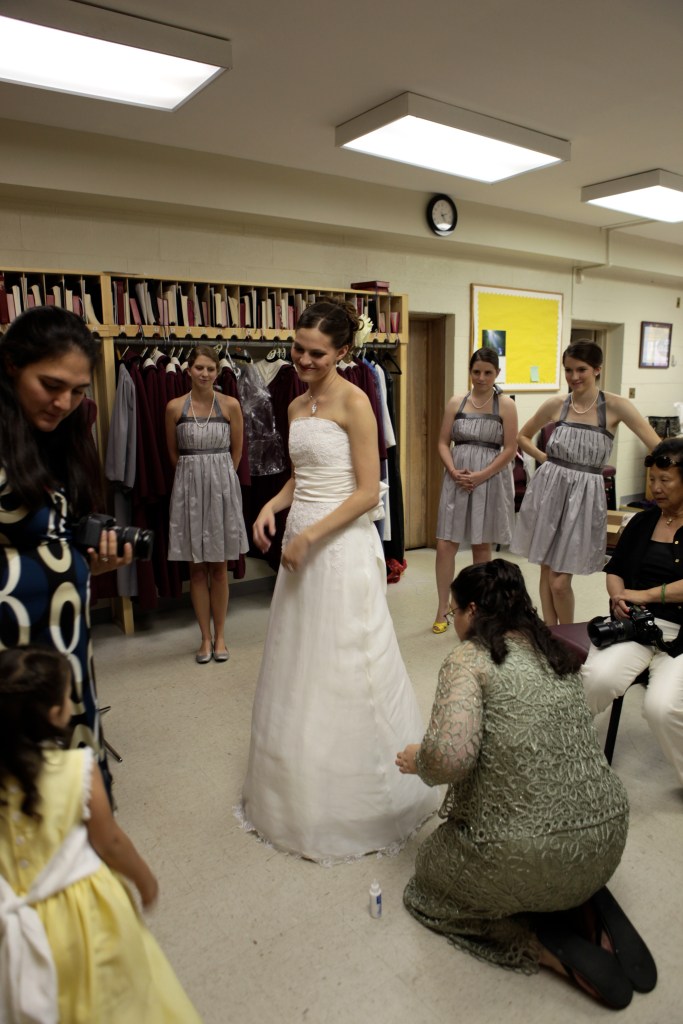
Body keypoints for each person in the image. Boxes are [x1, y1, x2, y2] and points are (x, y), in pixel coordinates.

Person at [396, 560, 656, 1008]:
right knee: (559, 846)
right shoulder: (557, 653)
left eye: (454, 611)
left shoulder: (468, 660)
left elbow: (450, 760)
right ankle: (581, 896)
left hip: (523, 852)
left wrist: (418, 759)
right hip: (611, 830)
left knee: (429, 877)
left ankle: (538, 946)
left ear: (472, 611)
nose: (454, 621)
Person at [238, 299, 439, 863]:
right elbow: (302, 476)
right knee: (300, 656)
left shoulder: (357, 401)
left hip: (340, 544)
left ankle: (363, 789)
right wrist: (272, 507)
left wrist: (310, 537)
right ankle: (297, 782)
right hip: (301, 537)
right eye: (297, 349)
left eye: (316, 353)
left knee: (347, 658)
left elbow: (367, 493)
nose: (302, 360)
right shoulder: (295, 403)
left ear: (344, 352)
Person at [0, 646, 202, 1023]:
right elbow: (110, 842)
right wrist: (145, 881)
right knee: (118, 1000)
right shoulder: (78, 769)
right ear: (55, 714)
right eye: (67, 696)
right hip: (84, 917)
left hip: (12, 932)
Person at [0, 306, 132, 797]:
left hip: (65, 646)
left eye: (77, 391)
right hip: (10, 658)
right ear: (12, 365)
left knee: (75, 793)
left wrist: (89, 560)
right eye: (51, 385)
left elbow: (52, 536)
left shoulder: (57, 435)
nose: (64, 403)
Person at [512, 340, 659, 625]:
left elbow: (657, 445)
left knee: (559, 581)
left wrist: (663, 474)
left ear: (597, 369)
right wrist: (545, 459)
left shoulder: (615, 406)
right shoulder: (556, 404)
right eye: (568, 370)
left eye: (581, 369)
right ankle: (550, 634)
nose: (574, 376)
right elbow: (522, 436)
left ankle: (567, 637)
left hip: (585, 496)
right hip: (550, 489)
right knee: (546, 570)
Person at [582, 437, 683, 785]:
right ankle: (565, 749)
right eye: (652, 480)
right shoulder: (642, 521)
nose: (656, 488)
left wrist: (644, 594)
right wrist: (618, 597)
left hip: (680, 636)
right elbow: (616, 570)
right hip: (633, 626)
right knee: (597, 679)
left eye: (665, 480)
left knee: (661, 708)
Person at [166, 344, 248, 664]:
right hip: (188, 491)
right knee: (196, 569)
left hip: (222, 490)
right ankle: (204, 637)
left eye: (210, 368)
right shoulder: (174, 407)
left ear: (218, 372)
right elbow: (172, 453)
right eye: (199, 367)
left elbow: (237, 452)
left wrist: (220, 479)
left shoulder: (230, 405)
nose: (204, 373)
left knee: (219, 568)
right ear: (188, 370)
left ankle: (221, 636)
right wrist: (193, 479)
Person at [433, 346, 517, 633]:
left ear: (497, 373)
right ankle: (442, 607)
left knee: (481, 545)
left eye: (487, 373)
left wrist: (481, 475)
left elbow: (510, 449)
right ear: (470, 371)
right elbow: (442, 442)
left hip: (488, 479)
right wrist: (452, 470)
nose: (481, 378)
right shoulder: (456, 402)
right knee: (445, 544)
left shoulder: (505, 405)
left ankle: (480, 609)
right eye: (476, 371)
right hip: (456, 479)